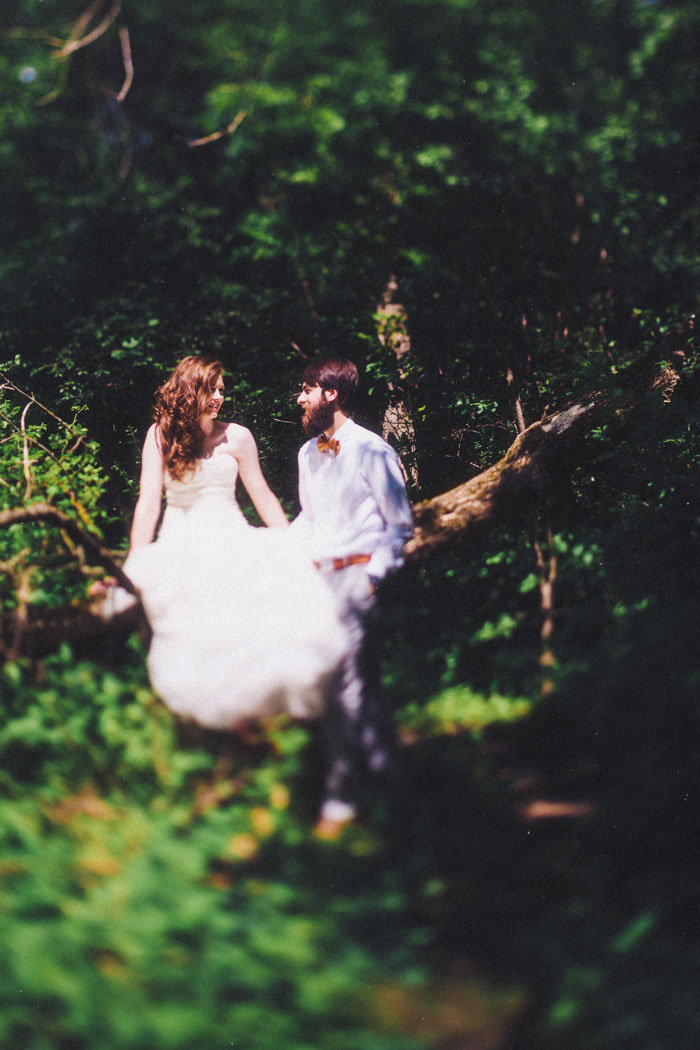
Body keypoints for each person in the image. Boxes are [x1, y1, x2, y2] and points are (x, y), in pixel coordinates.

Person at [104, 356, 348, 730]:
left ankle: (258, 717)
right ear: (190, 390)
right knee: (194, 627)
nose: (219, 396)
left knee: (247, 624)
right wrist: (134, 562)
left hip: (230, 534)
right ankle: (202, 726)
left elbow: (262, 496)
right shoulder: (159, 436)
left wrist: (291, 546)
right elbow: (149, 502)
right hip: (181, 539)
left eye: (222, 389)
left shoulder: (238, 436)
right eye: (211, 389)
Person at [293, 357, 414, 837]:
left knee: (344, 686)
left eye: (306, 389)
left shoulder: (373, 451)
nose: (300, 398)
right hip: (319, 582)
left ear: (332, 394)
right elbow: (311, 521)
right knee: (354, 684)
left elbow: (399, 526)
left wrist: (372, 578)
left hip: (356, 577)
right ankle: (392, 782)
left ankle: (342, 799)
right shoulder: (307, 454)